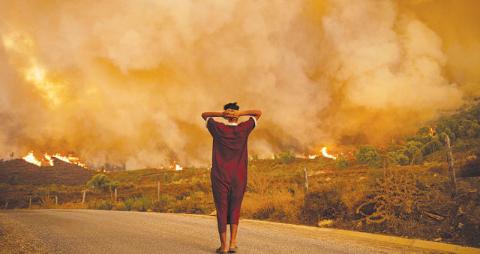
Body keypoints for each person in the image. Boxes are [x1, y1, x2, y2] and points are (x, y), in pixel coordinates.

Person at [201, 102, 261, 254]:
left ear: (227, 115)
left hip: (220, 175)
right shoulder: (244, 128)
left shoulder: (218, 128)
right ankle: (233, 243)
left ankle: (224, 246)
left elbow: (204, 115)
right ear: (236, 114)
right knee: (235, 208)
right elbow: (258, 113)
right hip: (239, 176)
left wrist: (221, 114)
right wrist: (240, 114)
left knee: (221, 209)